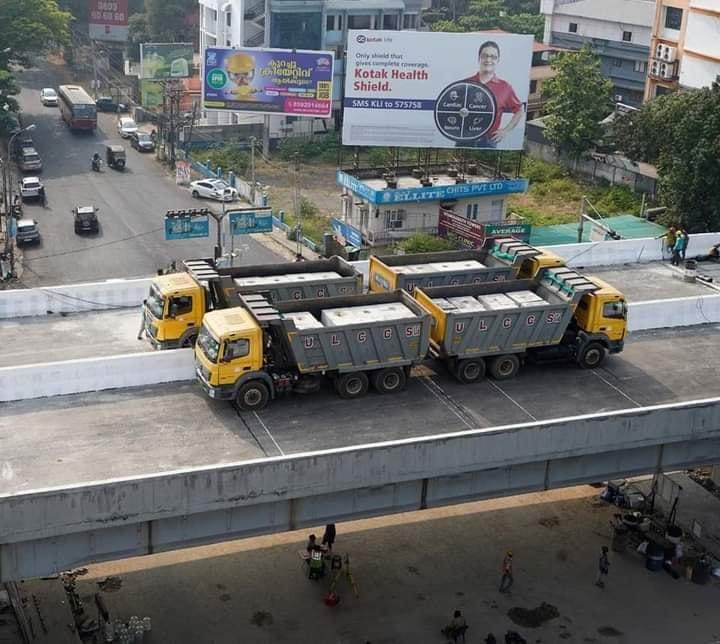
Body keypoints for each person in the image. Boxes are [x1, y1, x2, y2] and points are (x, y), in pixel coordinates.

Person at [462, 41, 524, 148]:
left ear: (498, 60)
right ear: (479, 58)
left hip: (488, 142)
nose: (488, 60)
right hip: (464, 139)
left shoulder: (505, 87)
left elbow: (519, 109)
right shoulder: (465, 84)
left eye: (493, 57)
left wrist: (506, 130)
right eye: (485, 56)